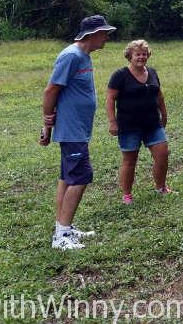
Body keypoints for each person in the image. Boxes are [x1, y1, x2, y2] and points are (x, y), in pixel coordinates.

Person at [39, 14, 117, 250]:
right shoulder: (71, 56)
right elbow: (51, 91)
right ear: (92, 35)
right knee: (81, 177)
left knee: (67, 178)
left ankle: (64, 228)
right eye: (104, 33)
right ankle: (61, 237)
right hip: (71, 130)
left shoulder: (84, 56)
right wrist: (46, 124)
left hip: (78, 129)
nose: (107, 37)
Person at [105, 39, 171, 204]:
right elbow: (110, 99)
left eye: (144, 54)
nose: (141, 57)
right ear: (130, 56)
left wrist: (164, 114)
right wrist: (112, 122)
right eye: (137, 54)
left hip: (152, 124)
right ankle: (127, 194)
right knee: (129, 160)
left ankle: (160, 187)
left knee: (162, 155)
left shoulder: (153, 72)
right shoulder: (120, 75)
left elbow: (159, 95)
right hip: (129, 126)